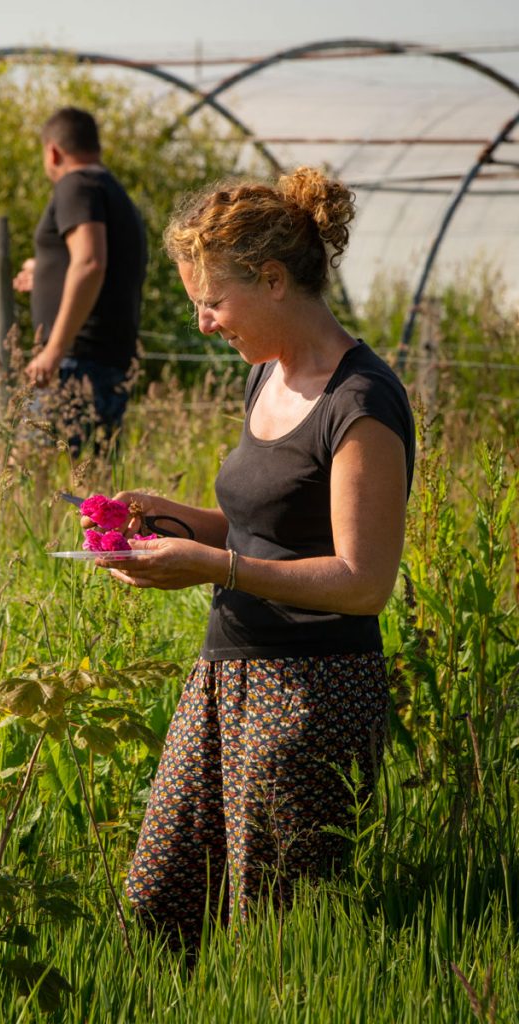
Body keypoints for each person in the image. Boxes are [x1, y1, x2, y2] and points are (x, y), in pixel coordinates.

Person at [88, 167, 416, 959]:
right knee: (159, 906)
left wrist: (213, 567)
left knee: (271, 937)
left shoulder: (361, 403)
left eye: (214, 302)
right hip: (224, 683)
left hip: (312, 698)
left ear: (273, 280)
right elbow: (258, 526)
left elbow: (364, 582)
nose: (203, 323)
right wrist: (164, 522)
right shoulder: (266, 375)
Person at [14, 106, 148, 455]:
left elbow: (89, 262)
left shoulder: (76, 185)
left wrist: (52, 352)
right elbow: (94, 260)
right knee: (94, 490)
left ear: (53, 151)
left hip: (75, 361)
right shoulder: (112, 191)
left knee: (27, 475)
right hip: (106, 358)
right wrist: (43, 270)